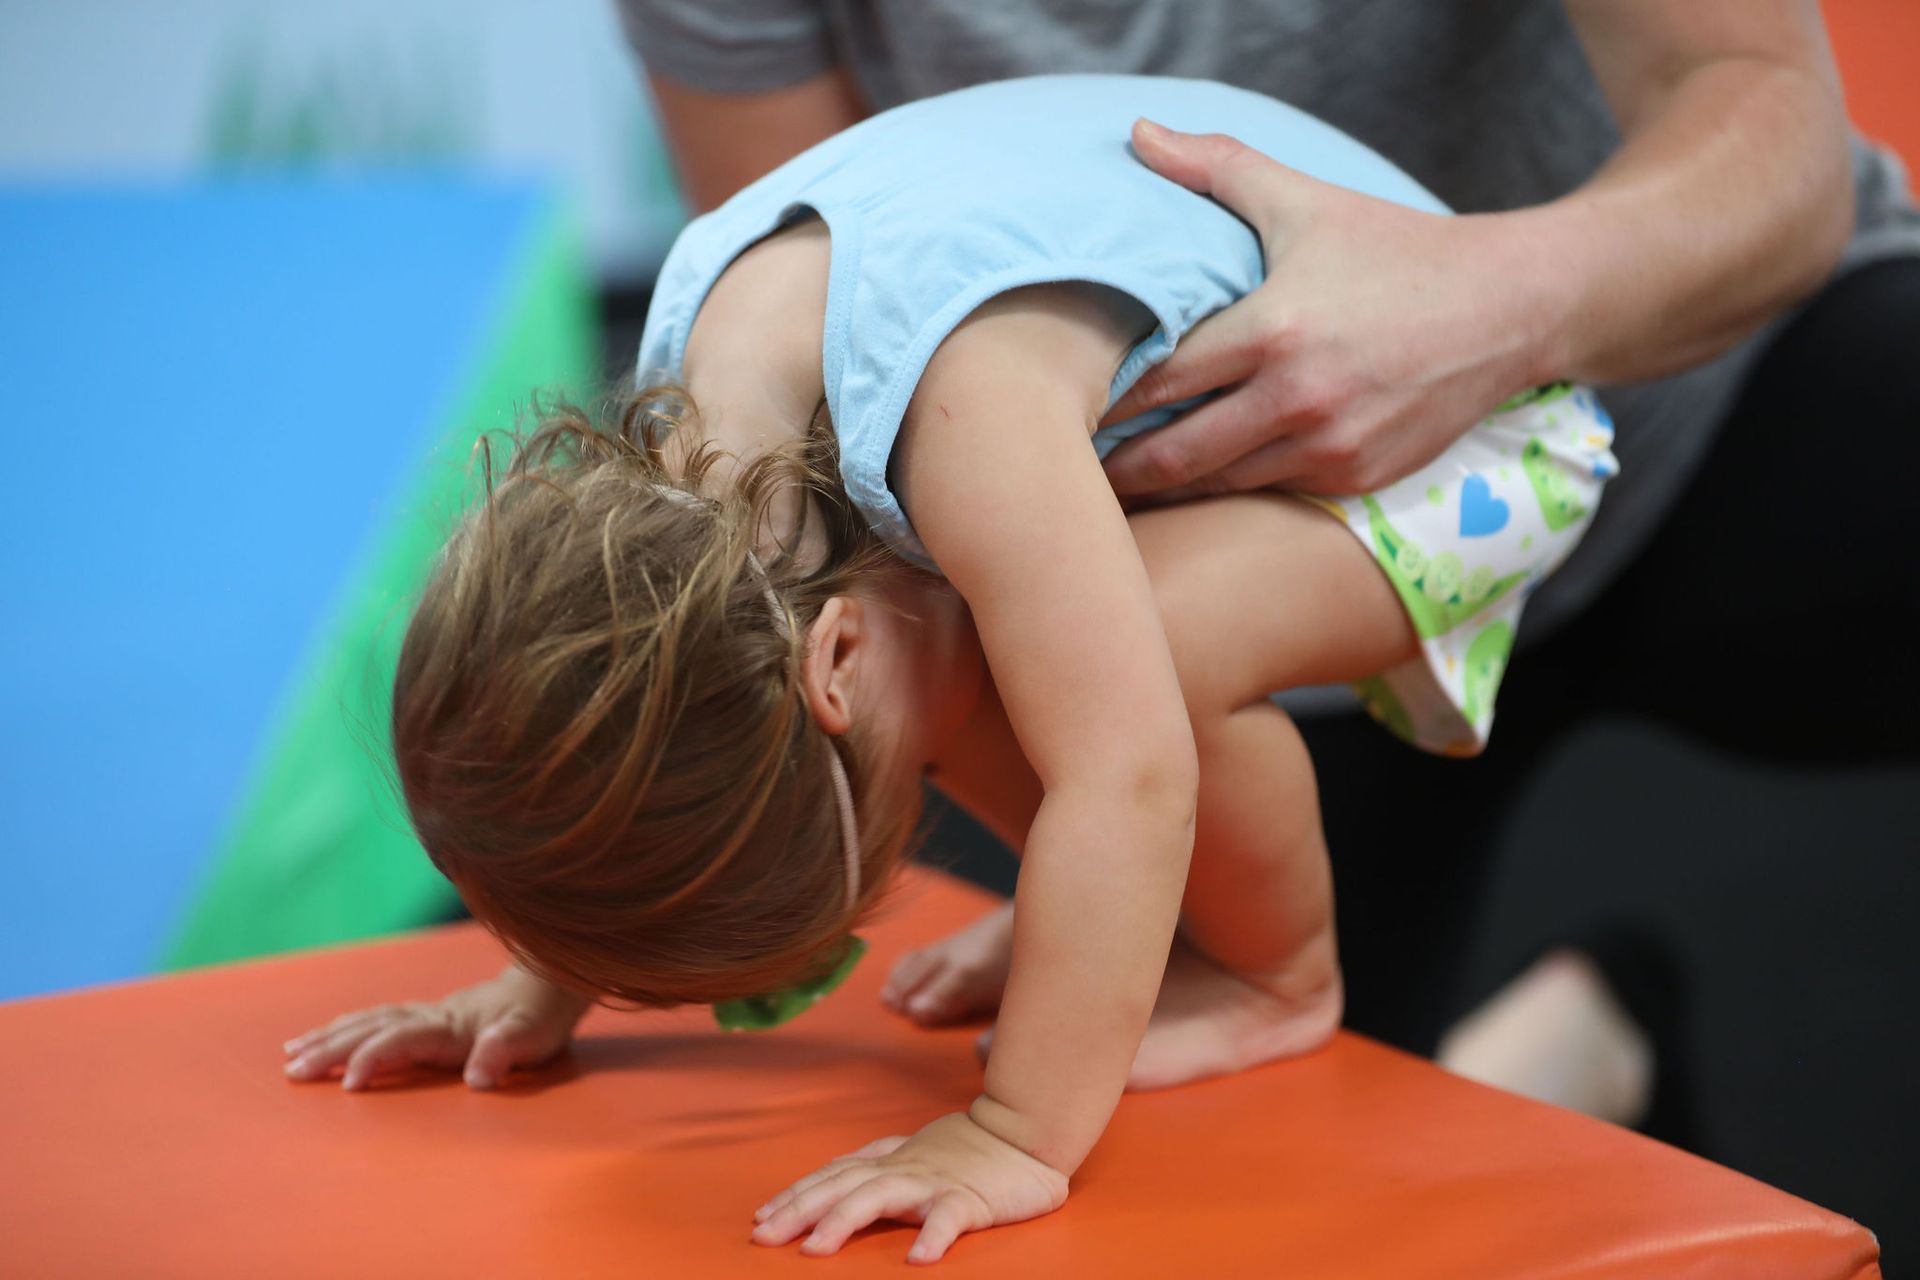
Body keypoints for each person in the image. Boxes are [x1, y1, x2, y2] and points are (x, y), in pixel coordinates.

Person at [281, 77, 1614, 1261]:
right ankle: (1116, 914)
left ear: (835, 653)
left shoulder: (955, 409)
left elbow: (1128, 770)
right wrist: (548, 963)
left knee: (1124, 668)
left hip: (1466, 412)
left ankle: (1271, 975)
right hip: (1185, 395)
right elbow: (632, 721)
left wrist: (1013, 1131)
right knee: (1003, 652)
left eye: (891, 808)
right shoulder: (689, 488)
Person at [617, 0, 1920, 1123]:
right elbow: (815, 580)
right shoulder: (771, 385)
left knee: (1149, 821)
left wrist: (1488, 313)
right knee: (1266, 1156)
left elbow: (1772, 127)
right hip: (1219, 555)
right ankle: (1565, 1054)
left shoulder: (905, 391)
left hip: (1642, 396)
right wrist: (566, 938)